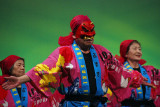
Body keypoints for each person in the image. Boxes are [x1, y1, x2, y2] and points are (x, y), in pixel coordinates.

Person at [2, 15, 151, 107]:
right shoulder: (64, 52)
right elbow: (44, 68)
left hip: (98, 103)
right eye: (85, 35)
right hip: (73, 104)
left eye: (92, 35)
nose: (90, 38)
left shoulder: (102, 52)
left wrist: (137, 77)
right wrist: (20, 79)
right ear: (75, 35)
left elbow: (118, 69)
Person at [115, 40, 160, 107]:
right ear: (126, 54)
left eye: (139, 49)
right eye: (134, 49)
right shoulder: (119, 70)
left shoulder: (150, 70)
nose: (138, 51)